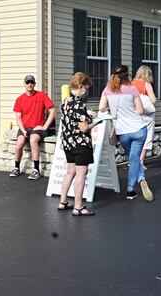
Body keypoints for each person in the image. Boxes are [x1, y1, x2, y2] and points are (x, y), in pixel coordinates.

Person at [99, 64, 153, 201]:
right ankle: (132, 187)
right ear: (126, 75)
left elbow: (101, 108)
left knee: (133, 158)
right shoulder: (132, 89)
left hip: (122, 131)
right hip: (138, 129)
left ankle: (139, 180)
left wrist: (113, 110)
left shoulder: (107, 90)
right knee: (135, 158)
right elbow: (140, 111)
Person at [58, 72, 96, 216]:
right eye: (86, 88)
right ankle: (78, 207)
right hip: (80, 143)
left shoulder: (66, 101)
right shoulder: (79, 104)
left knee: (70, 172)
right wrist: (98, 121)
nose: (87, 91)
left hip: (68, 142)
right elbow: (84, 127)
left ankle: (63, 201)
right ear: (80, 87)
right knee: (81, 174)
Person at [11, 74, 56, 180]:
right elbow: (18, 118)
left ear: (34, 84)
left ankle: (36, 170)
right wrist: (23, 130)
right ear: (24, 84)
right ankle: (16, 168)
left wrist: (44, 127)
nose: (30, 84)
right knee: (19, 143)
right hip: (24, 128)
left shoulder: (42, 96)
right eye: (27, 82)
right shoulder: (19, 99)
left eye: (32, 82)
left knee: (33, 140)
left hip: (38, 128)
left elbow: (53, 111)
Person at [132, 65, 157, 170]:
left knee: (135, 139)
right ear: (148, 74)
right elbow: (153, 100)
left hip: (134, 114)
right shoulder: (146, 85)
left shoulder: (131, 84)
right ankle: (140, 162)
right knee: (146, 138)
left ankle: (133, 161)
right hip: (146, 115)